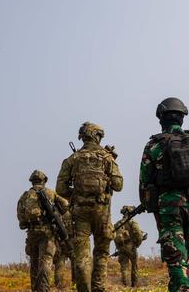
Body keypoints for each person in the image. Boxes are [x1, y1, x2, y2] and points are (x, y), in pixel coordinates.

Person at [139, 97, 189, 292]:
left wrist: (149, 203)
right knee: (186, 247)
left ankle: (183, 287)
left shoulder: (153, 145)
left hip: (168, 206)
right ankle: (177, 285)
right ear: (182, 118)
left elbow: (145, 179)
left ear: (161, 118)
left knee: (174, 251)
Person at [57, 122, 123, 292]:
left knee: (82, 257)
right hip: (102, 212)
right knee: (101, 253)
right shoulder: (107, 158)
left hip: (79, 212)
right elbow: (118, 185)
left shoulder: (73, 159)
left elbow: (60, 189)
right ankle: (98, 289)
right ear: (97, 136)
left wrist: (77, 196)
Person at [17, 170, 69, 292]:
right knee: (46, 260)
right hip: (47, 232)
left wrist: (26, 224)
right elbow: (66, 204)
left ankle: (35, 289)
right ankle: (44, 289)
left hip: (31, 233)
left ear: (32, 181)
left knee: (34, 262)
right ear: (44, 180)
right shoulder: (50, 193)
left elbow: (20, 215)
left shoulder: (25, 195)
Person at [113, 206, 147, 287]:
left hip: (121, 248)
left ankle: (126, 285)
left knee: (124, 267)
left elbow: (114, 237)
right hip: (131, 247)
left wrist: (119, 248)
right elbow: (138, 234)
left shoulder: (117, 224)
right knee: (134, 266)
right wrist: (137, 244)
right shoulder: (132, 222)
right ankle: (134, 286)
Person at [53, 208, 74, 290]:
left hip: (60, 241)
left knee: (59, 263)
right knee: (76, 263)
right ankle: (76, 283)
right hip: (72, 241)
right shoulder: (73, 212)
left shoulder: (56, 212)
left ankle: (59, 285)